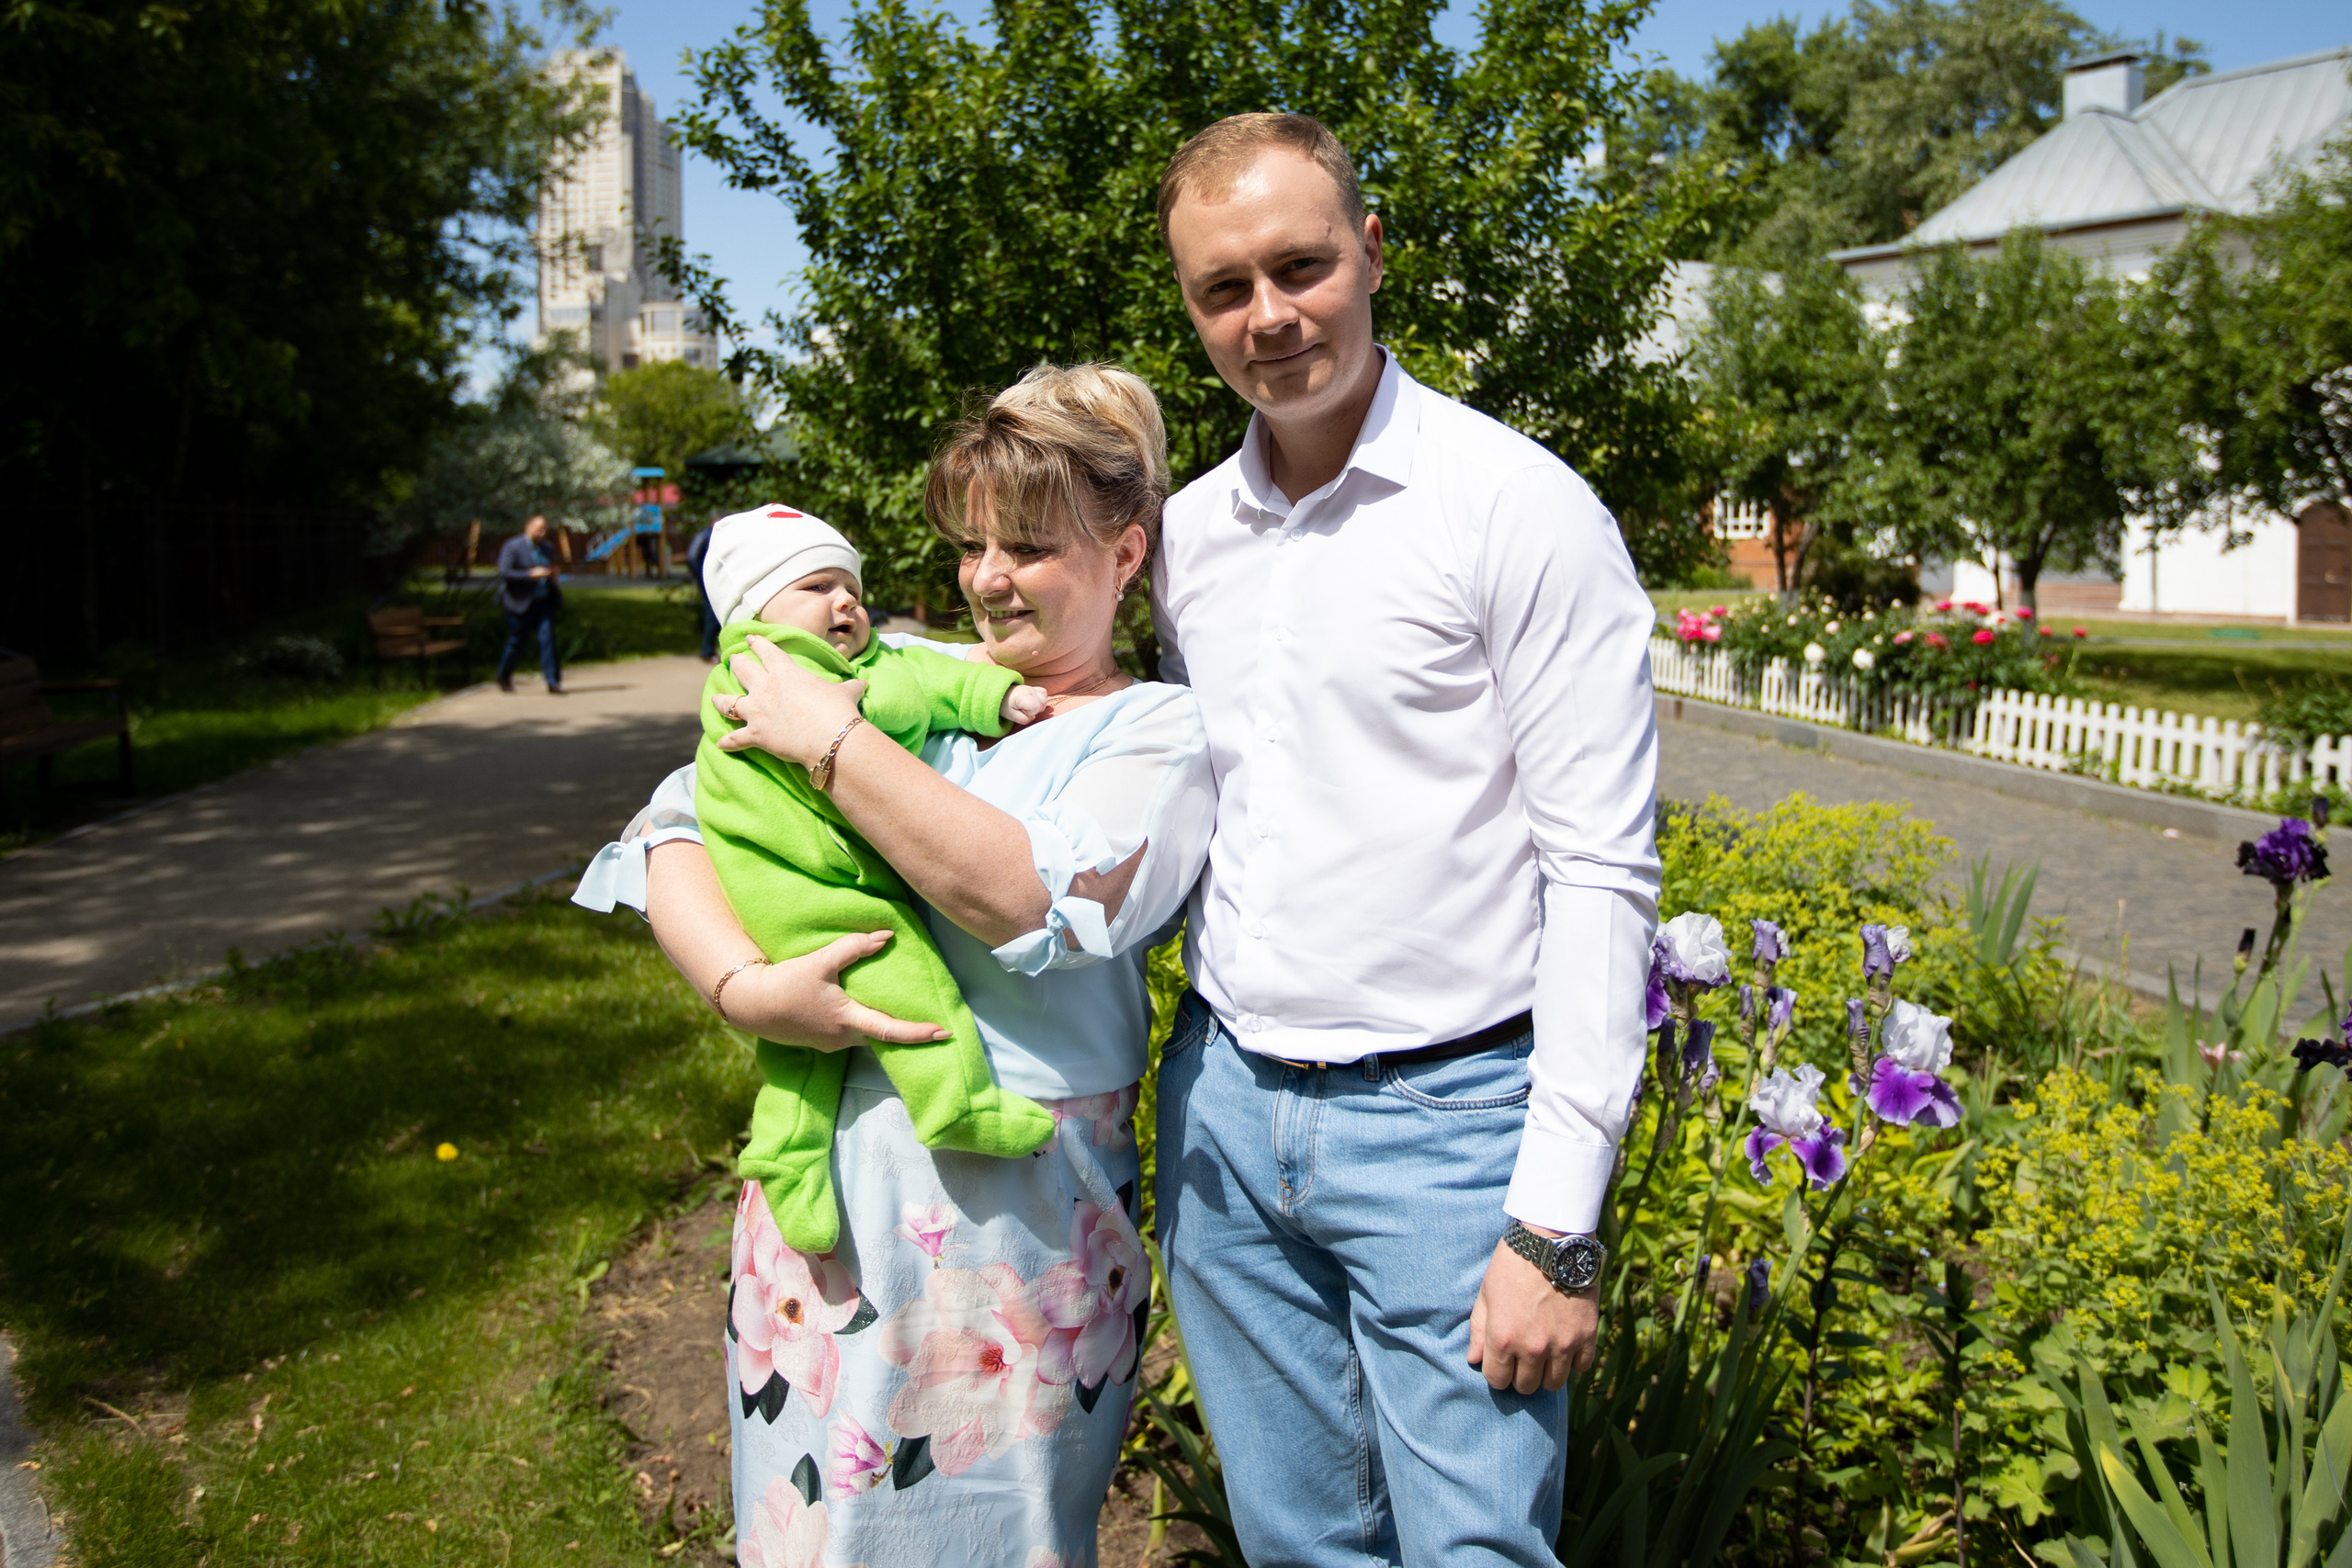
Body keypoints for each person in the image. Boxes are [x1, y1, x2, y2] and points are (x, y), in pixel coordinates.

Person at [572, 365, 1214, 1568]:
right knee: (812, 1523)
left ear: (1127, 555)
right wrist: (745, 988)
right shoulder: (912, 678)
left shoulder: (1154, 730)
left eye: (1026, 544)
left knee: (999, 1531)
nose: (985, 577)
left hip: (1016, 1207)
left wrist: (834, 741)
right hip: (828, 1178)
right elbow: (671, 823)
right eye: (973, 543)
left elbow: (1032, 894)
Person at [1147, 114, 1660, 1566]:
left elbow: (1602, 874)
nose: (1270, 315)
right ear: (1191, 309)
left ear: (1372, 253)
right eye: (1223, 289)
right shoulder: (1185, 541)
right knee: (1301, 1548)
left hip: (1450, 1130)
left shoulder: (1516, 510)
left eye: (1300, 264)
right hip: (1227, 1120)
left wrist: (1556, 1221)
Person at [692, 504, 1057, 1254]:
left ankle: (785, 1161)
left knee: (798, 1051)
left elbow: (933, 673)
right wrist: (963, 698)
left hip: (779, 897)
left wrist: (993, 698)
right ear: (753, 612)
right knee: (903, 976)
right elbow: (906, 693)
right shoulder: (764, 675)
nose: (846, 603)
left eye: (851, 586)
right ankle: (955, 1101)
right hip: (810, 886)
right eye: (818, 585)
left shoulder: (856, 661)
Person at [495, 514, 564, 694]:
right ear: (528, 527)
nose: (541, 533)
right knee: (517, 641)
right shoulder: (513, 546)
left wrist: (552, 575)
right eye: (538, 528)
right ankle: (504, 674)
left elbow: (547, 568)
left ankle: (553, 682)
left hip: (543, 602)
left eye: (544, 529)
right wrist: (529, 574)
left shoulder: (546, 548)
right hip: (519, 602)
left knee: (547, 640)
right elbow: (505, 573)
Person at [685, 517, 721, 660]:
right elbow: (691, 557)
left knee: (715, 615)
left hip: (713, 582)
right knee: (712, 615)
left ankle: (709, 649)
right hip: (708, 582)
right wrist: (703, 577)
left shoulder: (711, 535)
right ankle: (707, 651)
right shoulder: (706, 535)